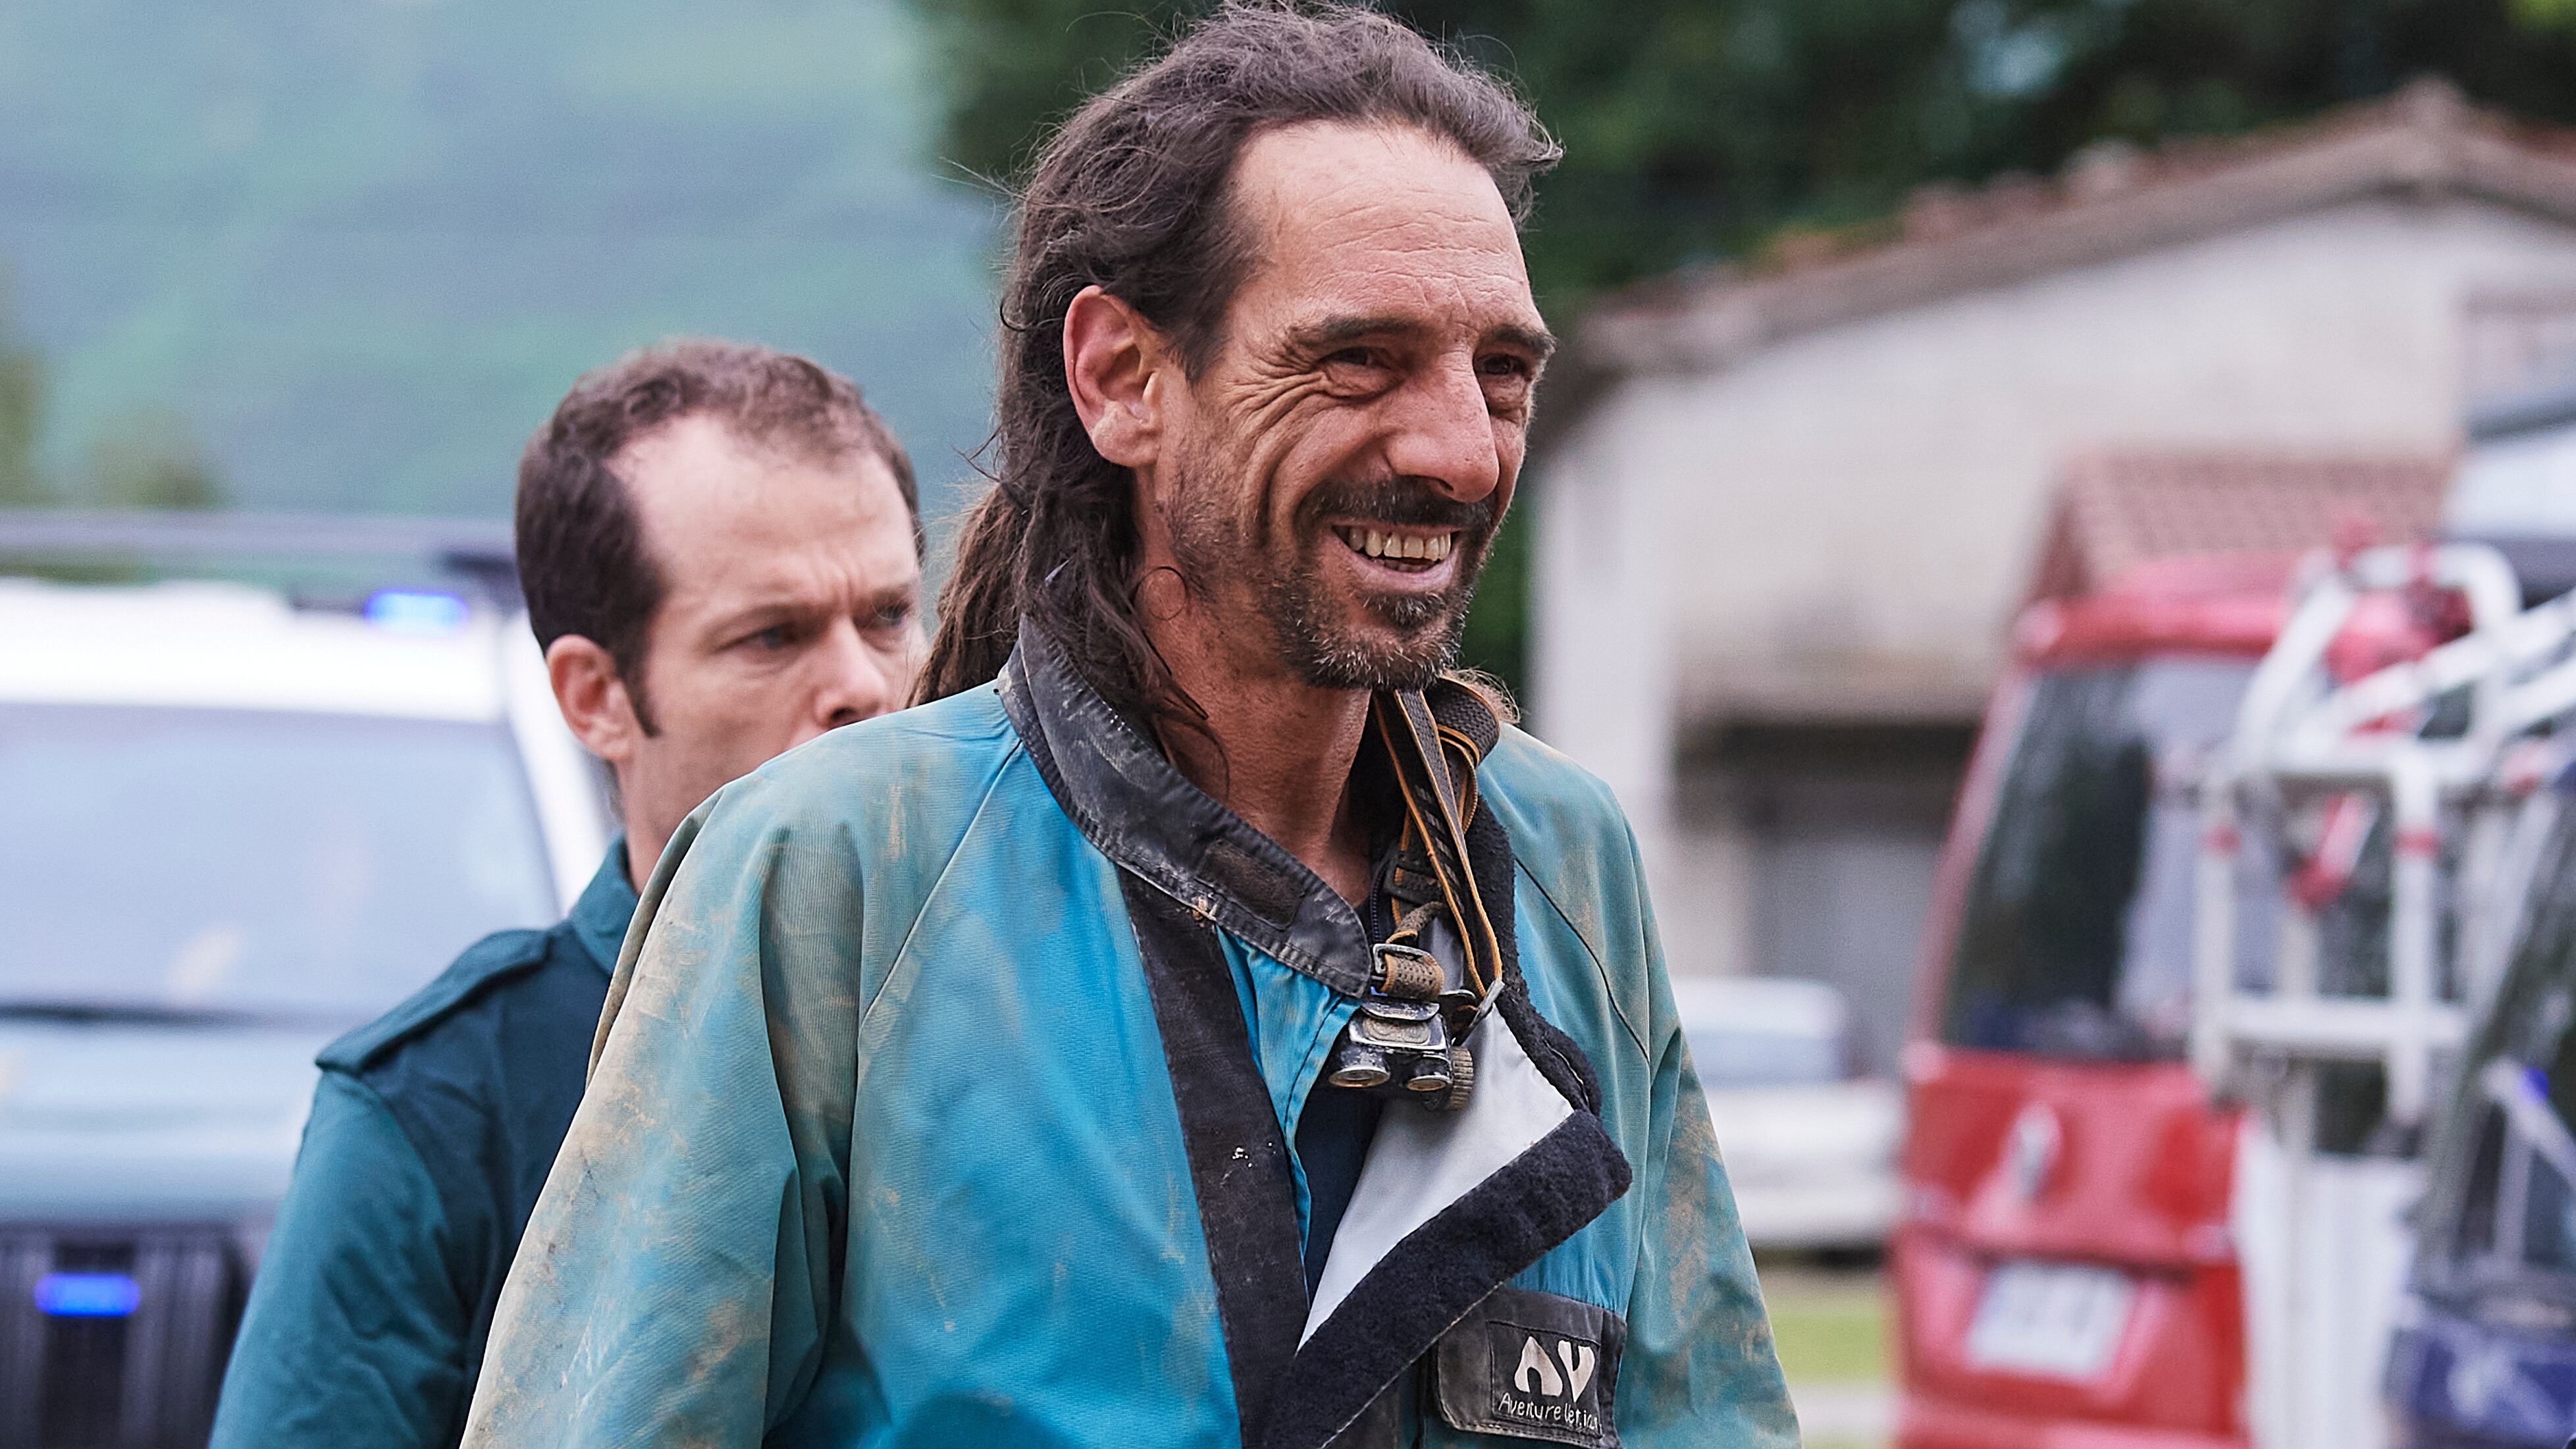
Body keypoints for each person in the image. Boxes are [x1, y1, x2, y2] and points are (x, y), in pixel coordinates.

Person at [464, 7, 1795, 1447]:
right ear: (1119, 379)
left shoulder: (1560, 867)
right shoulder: (829, 875)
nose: (1460, 450)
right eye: (1358, 359)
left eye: (1502, 373)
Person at [210, 340, 928, 1449]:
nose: (862, 686)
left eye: (886, 616)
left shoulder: (1061, 1014)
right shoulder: (439, 1112)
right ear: (596, 696)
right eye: (772, 635)